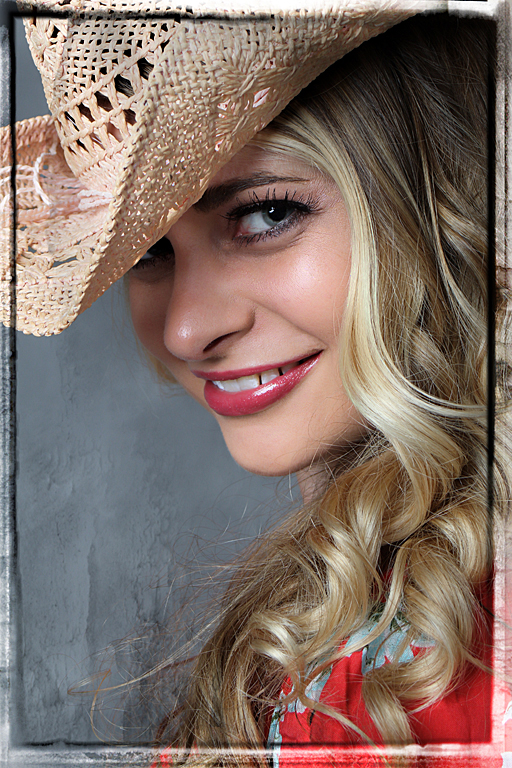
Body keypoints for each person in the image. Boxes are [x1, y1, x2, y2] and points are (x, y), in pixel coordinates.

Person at [1, 5, 510, 767]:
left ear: (446, 200)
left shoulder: (451, 663)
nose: (185, 330)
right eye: (150, 253)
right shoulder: (355, 623)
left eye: (266, 214)